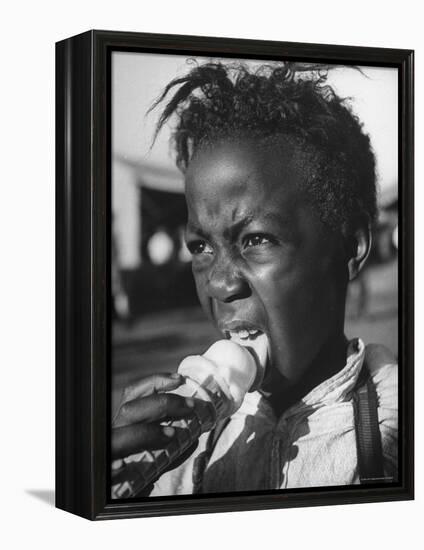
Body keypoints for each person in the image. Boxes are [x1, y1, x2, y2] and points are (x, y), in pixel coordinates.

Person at [111, 62, 398, 495]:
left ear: (351, 248)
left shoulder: (396, 427)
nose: (219, 284)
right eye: (201, 247)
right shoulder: (191, 451)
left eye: (256, 239)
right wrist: (119, 491)